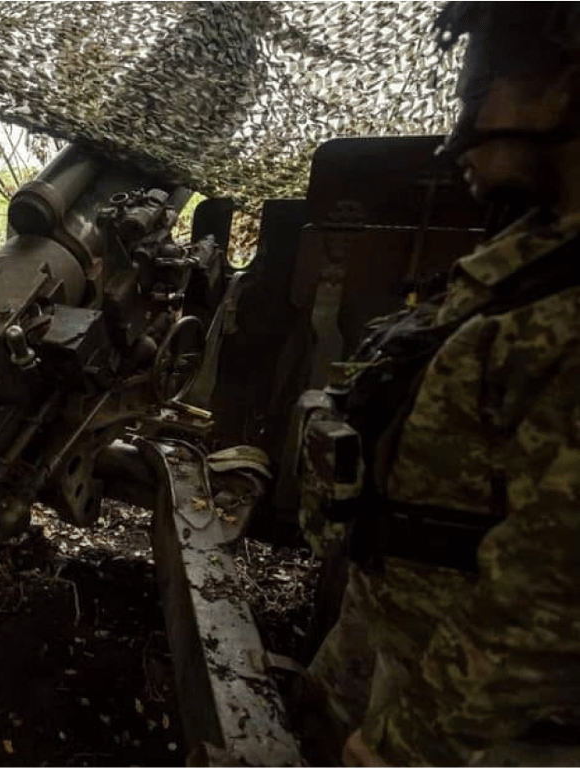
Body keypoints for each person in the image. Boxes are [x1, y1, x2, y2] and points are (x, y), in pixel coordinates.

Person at [301, 3, 580, 766]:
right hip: (401, 642)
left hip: (483, 724)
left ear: (563, 89)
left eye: (477, 89)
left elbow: (550, 604)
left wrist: (411, 742)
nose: (458, 131)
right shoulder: (530, 258)